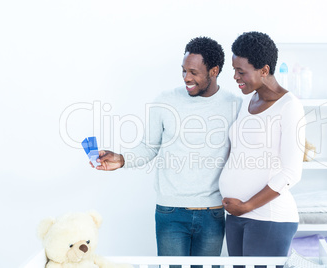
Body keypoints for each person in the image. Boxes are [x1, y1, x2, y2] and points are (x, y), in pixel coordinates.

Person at [91, 37, 242, 260]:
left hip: (213, 213)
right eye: (183, 71)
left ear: (214, 71)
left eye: (193, 72)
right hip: (170, 212)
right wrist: (122, 159)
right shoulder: (165, 101)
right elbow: (148, 147)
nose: (186, 78)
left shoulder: (235, 105)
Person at [219, 32, 306, 259]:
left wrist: (248, 205)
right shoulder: (247, 99)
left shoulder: (289, 107)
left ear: (264, 70)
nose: (236, 77)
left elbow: (291, 172)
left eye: (241, 72)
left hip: (268, 218)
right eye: (234, 70)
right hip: (237, 216)